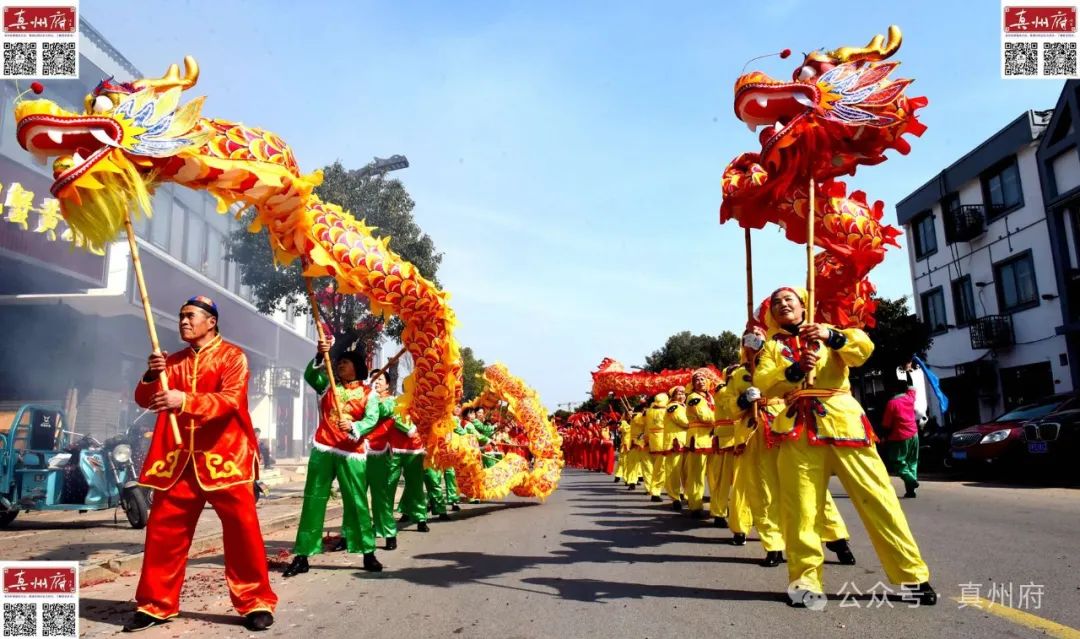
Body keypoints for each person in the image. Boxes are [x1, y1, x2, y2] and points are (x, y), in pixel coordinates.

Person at [755, 286, 936, 607]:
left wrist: (830, 337)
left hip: (845, 424)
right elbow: (765, 383)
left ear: (803, 305)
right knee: (801, 512)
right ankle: (805, 581)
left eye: (789, 300)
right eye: (777, 303)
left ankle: (912, 577)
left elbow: (862, 350)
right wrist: (795, 370)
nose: (783, 305)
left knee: (879, 500)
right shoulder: (770, 348)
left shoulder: (829, 330)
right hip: (797, 429)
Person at [124, 296, 277, 632]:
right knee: (164, 533)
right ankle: (155, 604)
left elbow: (231, 400)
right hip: (178, 460)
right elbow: (144, 399)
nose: (183, 322)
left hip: (226, 458)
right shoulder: (172, 363)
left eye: (190, 316)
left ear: (211, 322)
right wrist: (152, 375)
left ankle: (255, 602)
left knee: (242, 533)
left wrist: (185, 400)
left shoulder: (233, 357)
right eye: (180, 316)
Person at [283, 339, 383, 578]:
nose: (340, 366)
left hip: (351, 452)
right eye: (339, 362)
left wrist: (354, 426)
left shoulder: (368, 394)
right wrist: (319, 355)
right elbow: (310, 375)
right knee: (313, 500)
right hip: (324, 448)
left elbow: (372, 419)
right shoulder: (328, 386)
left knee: (357, 502)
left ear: (357, 367)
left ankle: (367, 552)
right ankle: (302, 555)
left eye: (345, 363)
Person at [880, 377, 921, 498]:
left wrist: (883, 437)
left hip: (899, 437)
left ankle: (910, 480)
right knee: (912, 462)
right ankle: (911, 491)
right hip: (914, 435)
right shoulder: (910, 398)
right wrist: (908, 369)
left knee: (897, 462)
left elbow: (887, 424)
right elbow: (912, 386)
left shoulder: (892, 403)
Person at [683, 371, 715, 518]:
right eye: (697, 380)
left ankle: (717, 505)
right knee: (696, 474)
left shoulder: (710, 397)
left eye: (703, 379)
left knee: (715, 475)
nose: (701, 381)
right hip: (698, 439)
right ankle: (695, 505)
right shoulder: (693, 398)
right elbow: (704, 416)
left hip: (712, 438)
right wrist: (722, 418)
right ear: (693, 384)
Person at [644, 393, 669, 502]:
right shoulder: (666, 411)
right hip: (664, 440)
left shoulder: (649, 411)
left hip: (653, 440)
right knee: (661, 468)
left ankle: (655, 489)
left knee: (657, 468)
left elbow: (645, 427)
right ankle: (656, 491)